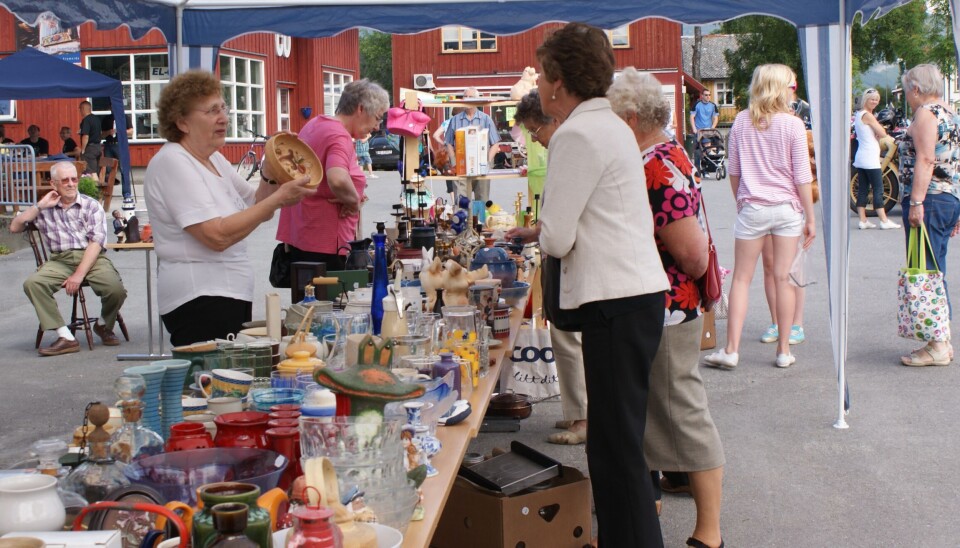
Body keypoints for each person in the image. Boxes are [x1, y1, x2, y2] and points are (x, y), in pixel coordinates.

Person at [535, 23, 669, 546]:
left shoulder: (576, 132)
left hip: (616, 301)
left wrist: (547, 227)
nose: (541, 87)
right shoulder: (610, 124)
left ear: (559, 79)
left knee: (614, 452)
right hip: (632, 297)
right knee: (620, 446)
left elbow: (557, 238)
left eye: (544, 76)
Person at [609, 67, 725, 548]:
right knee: (661, 410)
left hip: (668, 306)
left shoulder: (656, 163)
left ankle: (710, 533)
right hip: (662, 305)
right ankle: (653, 509)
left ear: (632, 118)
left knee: (684, 412)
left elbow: (693, 253)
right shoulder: (665, 151)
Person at [144, 70, 316, 346]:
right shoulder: (173, 162)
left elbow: (256, 206)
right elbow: (216, 236)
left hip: (226, 294)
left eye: (223, 108)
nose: (223, 117)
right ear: (182, 122)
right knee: (215, 382)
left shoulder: (213, 159)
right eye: (212, 111)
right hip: (198, 298)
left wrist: (272, 168)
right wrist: (279, 197)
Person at [703, 63, 815, 370]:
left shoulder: (740, 121)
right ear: (782, 89)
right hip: (787, 209)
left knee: (741, 277)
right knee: (784, 278)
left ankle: (731, 350)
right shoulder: (793, 125)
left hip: (753, 207)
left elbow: (734, 172)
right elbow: (802, 176)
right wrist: (810, 217)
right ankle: (783, 351)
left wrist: (741, 202)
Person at [505, 90, 587, 446]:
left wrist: (542, 234)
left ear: (553, 120)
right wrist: (533, 231)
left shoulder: (570, 149)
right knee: (564, 339)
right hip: (561, 254)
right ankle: (576, 413)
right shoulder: (561, 149)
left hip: (572, 259)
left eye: (535, 132)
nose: (533, 140)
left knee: (570, 340)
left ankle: (583, 418)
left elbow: (567, 216)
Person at [9, 161, 128, 356]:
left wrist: (79, 275)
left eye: (74, 179)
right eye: (65, 180)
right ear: (54, 184)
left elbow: (96, 243)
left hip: (92, 257)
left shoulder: (91, 206)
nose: (71, 184)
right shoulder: (45, 208)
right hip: (60, 260)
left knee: (115, 290)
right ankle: (65, 336)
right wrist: (40, 206)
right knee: (33, 284)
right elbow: (14, 227)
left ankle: (102, 324)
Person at [276, 79, 389, 272]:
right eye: (378, 118)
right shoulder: (339, 136)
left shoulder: (315, 124)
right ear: (360, 109)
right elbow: (336, 178)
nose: (378, 126)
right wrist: (354, 201)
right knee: (330, 300)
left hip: (303, 235)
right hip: (326, 243)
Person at [898, 63, 960, 366]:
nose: (907, 95)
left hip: (931, 199)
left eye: (907, 89)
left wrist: (916, 202)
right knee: (936, 268)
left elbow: (925, 158)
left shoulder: (926, 114)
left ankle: (937, 343)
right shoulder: (950, 112)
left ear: (917, 89)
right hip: (948, 198)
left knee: (927, 272)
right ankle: (941, 340)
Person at [443, 88, 500, 203]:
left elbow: (495, 143)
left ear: (477, 99)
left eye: (471, 97)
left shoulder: (486, 119)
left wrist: (488, 161)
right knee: (461, 202)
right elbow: (448, 142)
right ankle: (464, 221)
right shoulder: (454, 120)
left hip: (481, 168)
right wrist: (454, 162)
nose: (467, 100)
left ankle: (480, 221)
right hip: (461, 167)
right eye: (465, 97)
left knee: (482, 201)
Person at [854, 88, 900, 230]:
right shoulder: (868, 115)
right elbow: (882, 133)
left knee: (863, 189)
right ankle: (884, 220)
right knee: (878, 188)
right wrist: (880, 131)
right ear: (865, 100)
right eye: (872, 99)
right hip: (870, 158)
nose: (874, 101)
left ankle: (863, 220)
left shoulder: (859, 114)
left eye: (877, 99)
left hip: (862, 156)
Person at [101, 113, 133, 208]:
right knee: (106, 169)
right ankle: (107, 192)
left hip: (120, 144)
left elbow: (131, 132)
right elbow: (102, 135)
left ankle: (126, 193)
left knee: (124, 168)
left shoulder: (124, 117)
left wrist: (121, 131)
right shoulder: (106, 118)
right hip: (108, 145)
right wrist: (108, 132)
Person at [434, 107, 464, 203]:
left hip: (448, 152)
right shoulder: (462, 122)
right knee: (462, 174)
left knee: (450, 174)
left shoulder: (447, 122)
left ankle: (453, 201)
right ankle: (462, 198)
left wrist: (444, 143)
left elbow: (435, 135)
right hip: (461, 151)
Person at [690, 88, 719, 172]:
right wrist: (694, 129)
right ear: (702, 96)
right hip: (698, 131)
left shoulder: (713, 105)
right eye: (706, 95)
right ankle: (697, 171)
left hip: (707, 132)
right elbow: (692, 117)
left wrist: (712, 128)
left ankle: (705, 169)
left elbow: (715, 118)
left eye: (709, 95)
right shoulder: (697, 105)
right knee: (697, 152)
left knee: (707, 151)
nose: (708, 97)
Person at [78, 101, 102, 174]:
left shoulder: (86, 120)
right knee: (96, 170)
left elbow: (85, 136)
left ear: (83, 108)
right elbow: (98, 132)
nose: (79, 111)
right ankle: (97, 183)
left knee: (91, 172)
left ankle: (94, 185)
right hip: (98, 147)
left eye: (80, 109)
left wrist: (83, 150)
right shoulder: (96, 119)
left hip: (90, 148)